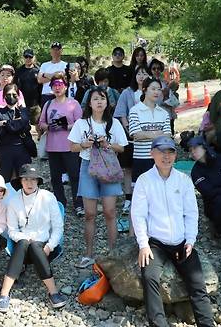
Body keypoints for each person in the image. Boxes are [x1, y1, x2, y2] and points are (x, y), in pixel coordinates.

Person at [131, 136, 215, 327]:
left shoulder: (184, 180)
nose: (166, 157)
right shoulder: (144, 180)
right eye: (161, 152)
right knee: (149, 276)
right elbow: (138, 215)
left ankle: (206, 323)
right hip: (156, 243)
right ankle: (159, 323)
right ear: (152, 154)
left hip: (181, 242)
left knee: (196, 281)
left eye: (170, 152)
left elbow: (192, 213)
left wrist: (190, 241)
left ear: (175, 155)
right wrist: (143, 245)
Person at [0, 164, 67, 312]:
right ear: (20, 181)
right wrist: (26, 238)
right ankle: (4, 294)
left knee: (35, 246)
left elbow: (58, 227)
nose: (29, 183)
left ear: (38, 181)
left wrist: (50, 246)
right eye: (26, 179)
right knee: (23, 243)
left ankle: (53, 292)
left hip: (45, 249)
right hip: (22, 249)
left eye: (33, 179)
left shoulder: (47, 197)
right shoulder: (14, 201)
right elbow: (12, 230)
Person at [69, 87, 128, 269]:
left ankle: (113, 253)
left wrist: (107, 144)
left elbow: (122, 148)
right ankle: (88, 254)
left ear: (107, 102)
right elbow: (72, 147)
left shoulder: (114, 123)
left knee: (110, 212)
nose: (99, 102)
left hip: (109, 167)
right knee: (90, 214)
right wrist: (84, 144)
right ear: (90, 103)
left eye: (102, 98)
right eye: (95, 99)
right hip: (88, 167)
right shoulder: (81, 123)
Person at [38, 72, 83, 215]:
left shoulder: (73, 103)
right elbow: (41, 123)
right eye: (54, 85)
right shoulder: (48, 104)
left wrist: (64, 126)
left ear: (65, 86)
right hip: (53, 146)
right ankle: (60, 203)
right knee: (55, 177)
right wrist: (48, 126)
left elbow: (80, 123)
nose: (57, 88)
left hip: (70, 146)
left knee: (74, 175)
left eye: (60, 85)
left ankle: (79, 204)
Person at [114, 65, 151, 214]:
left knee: (148, 167)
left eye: (144, 73)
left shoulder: (152, 92)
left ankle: (147, 197)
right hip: (129, 136)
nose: (141, 76)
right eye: (139, 73)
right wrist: (128, 128)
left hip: (148, 137)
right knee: (128, 168)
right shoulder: (127, 93)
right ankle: (129, 198)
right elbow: (121, 112)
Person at [128, 77, 171, 185]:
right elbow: (136, 135)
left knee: (161, 191)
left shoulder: (163, 113)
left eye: (159, 89)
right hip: (141, 159)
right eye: (153, 89)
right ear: (144, 90)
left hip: (161, 158)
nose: (156, 92)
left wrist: (147, 134)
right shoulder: (135, 111)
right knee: (141, 194)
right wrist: (158, 134)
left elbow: (168, 135)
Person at [0, 83, 32, 185]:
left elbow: (25, 126)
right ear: (4, 97)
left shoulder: (23, 112)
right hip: (5, 150)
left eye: (14, 95)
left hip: (22, 150)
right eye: (8, 94)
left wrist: (5, 124)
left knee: (24, 180)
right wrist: (15, 126)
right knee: (4, 181)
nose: (11, 97)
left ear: (18, 96)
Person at [15, 48, 41, 124]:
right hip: (23, 104)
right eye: (26, 57)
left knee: (38, 126)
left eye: (30, 57)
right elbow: (15, 86)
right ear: (23, 58)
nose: (28, 59)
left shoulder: (38, 70)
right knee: (23, 126)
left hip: (36, 104)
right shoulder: (19, 71)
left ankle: (39, 136)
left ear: (34, 58)